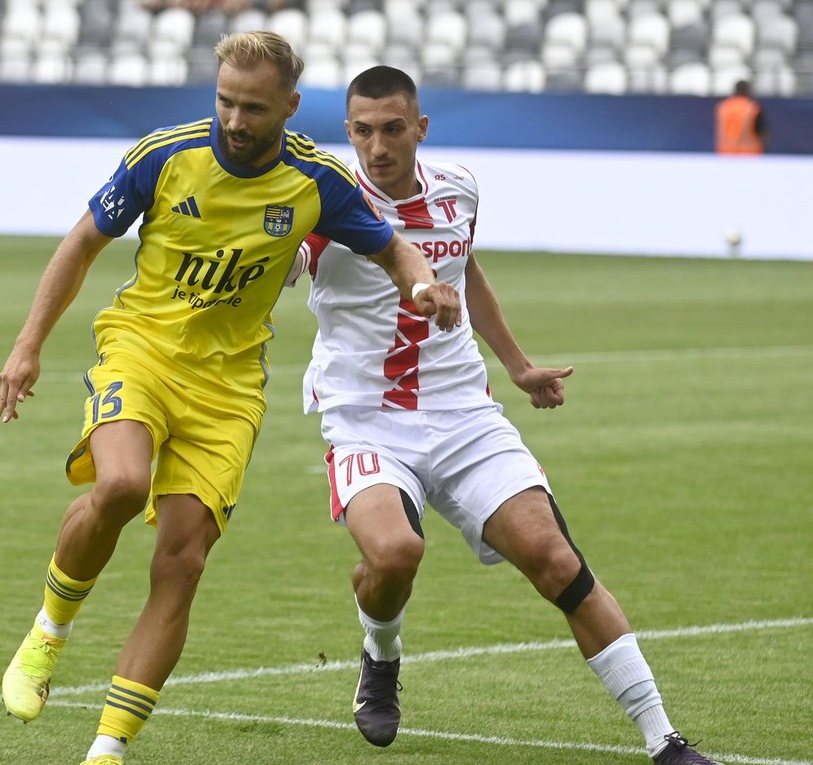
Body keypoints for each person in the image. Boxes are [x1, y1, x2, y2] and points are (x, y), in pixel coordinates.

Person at [0, 33, 460, 765]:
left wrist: (421, 282)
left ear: (289, 107)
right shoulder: (166, 154)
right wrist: (28, 344)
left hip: (229, 389)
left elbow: (390, 243)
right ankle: (49, 632)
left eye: (253, 108)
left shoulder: (315, 181)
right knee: (117, 484)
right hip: (142, 350)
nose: (236, 121)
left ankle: (106, 752)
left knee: (181, 562)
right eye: (225, 102)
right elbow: (83, 239)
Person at [295, 65, 720, 765]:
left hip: (464, 413)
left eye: (393, 129)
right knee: (396, 552)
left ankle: (664, 740)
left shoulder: (458, 188)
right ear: (347, 133)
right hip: (366, 417)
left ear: (420, 128)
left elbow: (465, 267)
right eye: (364, 132)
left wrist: (518, 365)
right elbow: (270, 268)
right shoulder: (325, 204)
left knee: (558, 561)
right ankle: (381, 652)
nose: (378, 147)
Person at [715, 79, 766, 155]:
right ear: (748, 90)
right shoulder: (751, 107)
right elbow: (760, 129)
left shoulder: (724, 106)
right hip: (749, 152)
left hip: (726, 151)